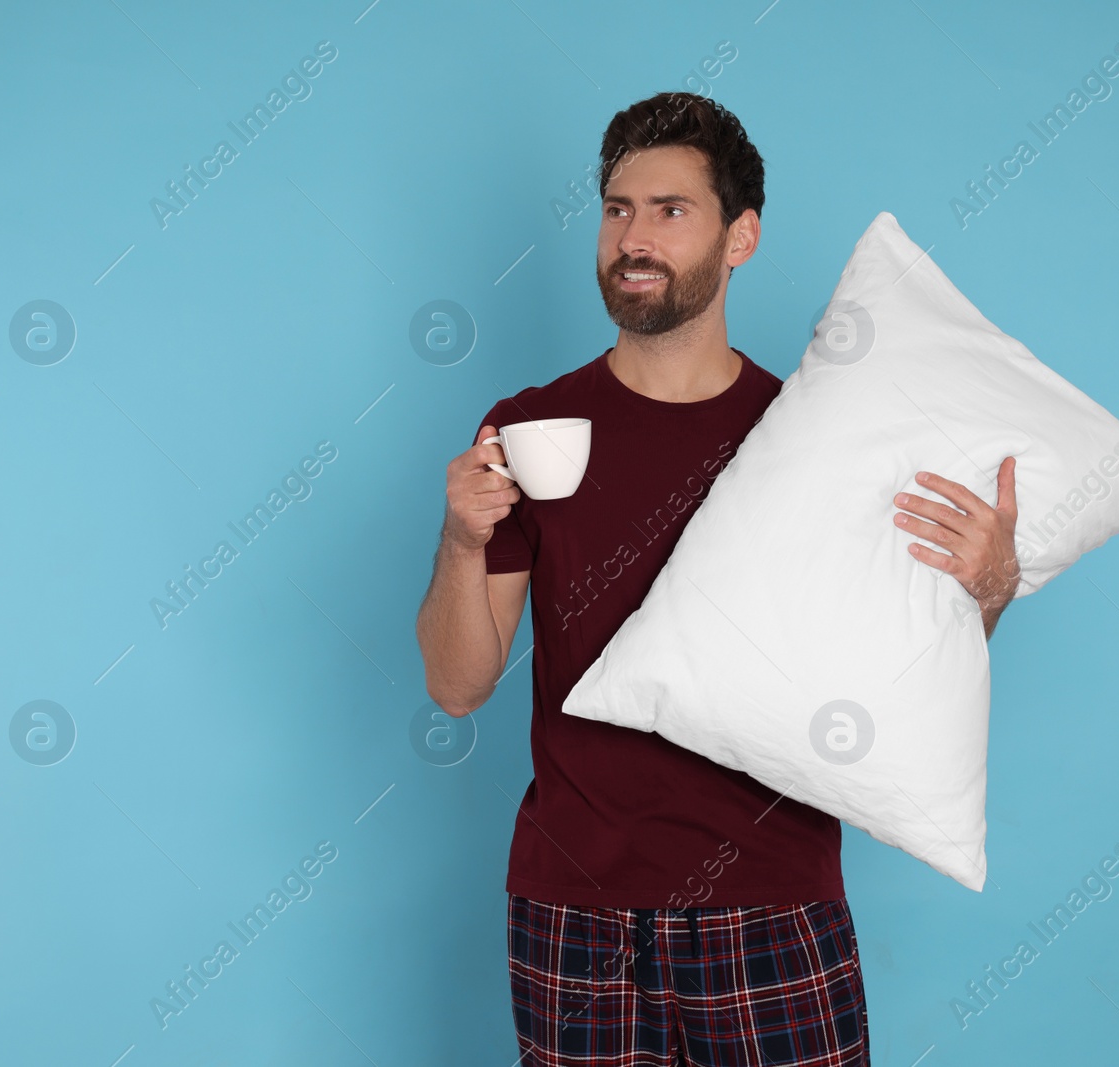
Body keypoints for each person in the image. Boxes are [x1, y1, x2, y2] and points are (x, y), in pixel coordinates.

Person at [416, 91, 1019, 1066]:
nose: (633, 236)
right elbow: (456, 684)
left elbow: (893, 680)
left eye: (670, 209)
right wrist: (457, 539)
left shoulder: (813, 436)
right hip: (575, 912)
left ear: (740, 237)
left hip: (771, 898)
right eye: (616, 208)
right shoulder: (526, 428)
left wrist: (986, 589)